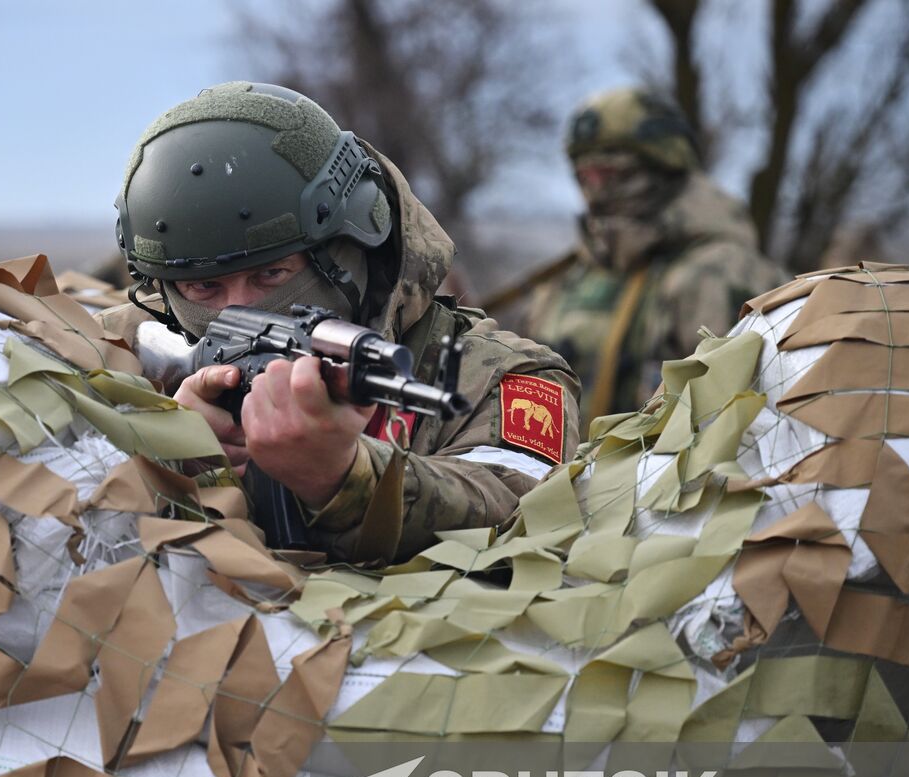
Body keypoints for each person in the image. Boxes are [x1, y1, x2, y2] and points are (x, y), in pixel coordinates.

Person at [100, 82, 580, 564]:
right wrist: (160, 451)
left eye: (272, 274)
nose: (238, 311)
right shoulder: (115, 347)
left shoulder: (500, 376)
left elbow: (519, 508)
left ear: (354, 248)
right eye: (203, 287)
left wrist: (343, 476)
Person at [526, 87, 786, 422]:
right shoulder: (569, 279)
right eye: (585, 175)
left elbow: (734, 423)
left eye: (611, 174)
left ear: (663, 168)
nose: (596, 190)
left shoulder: (718, 274)